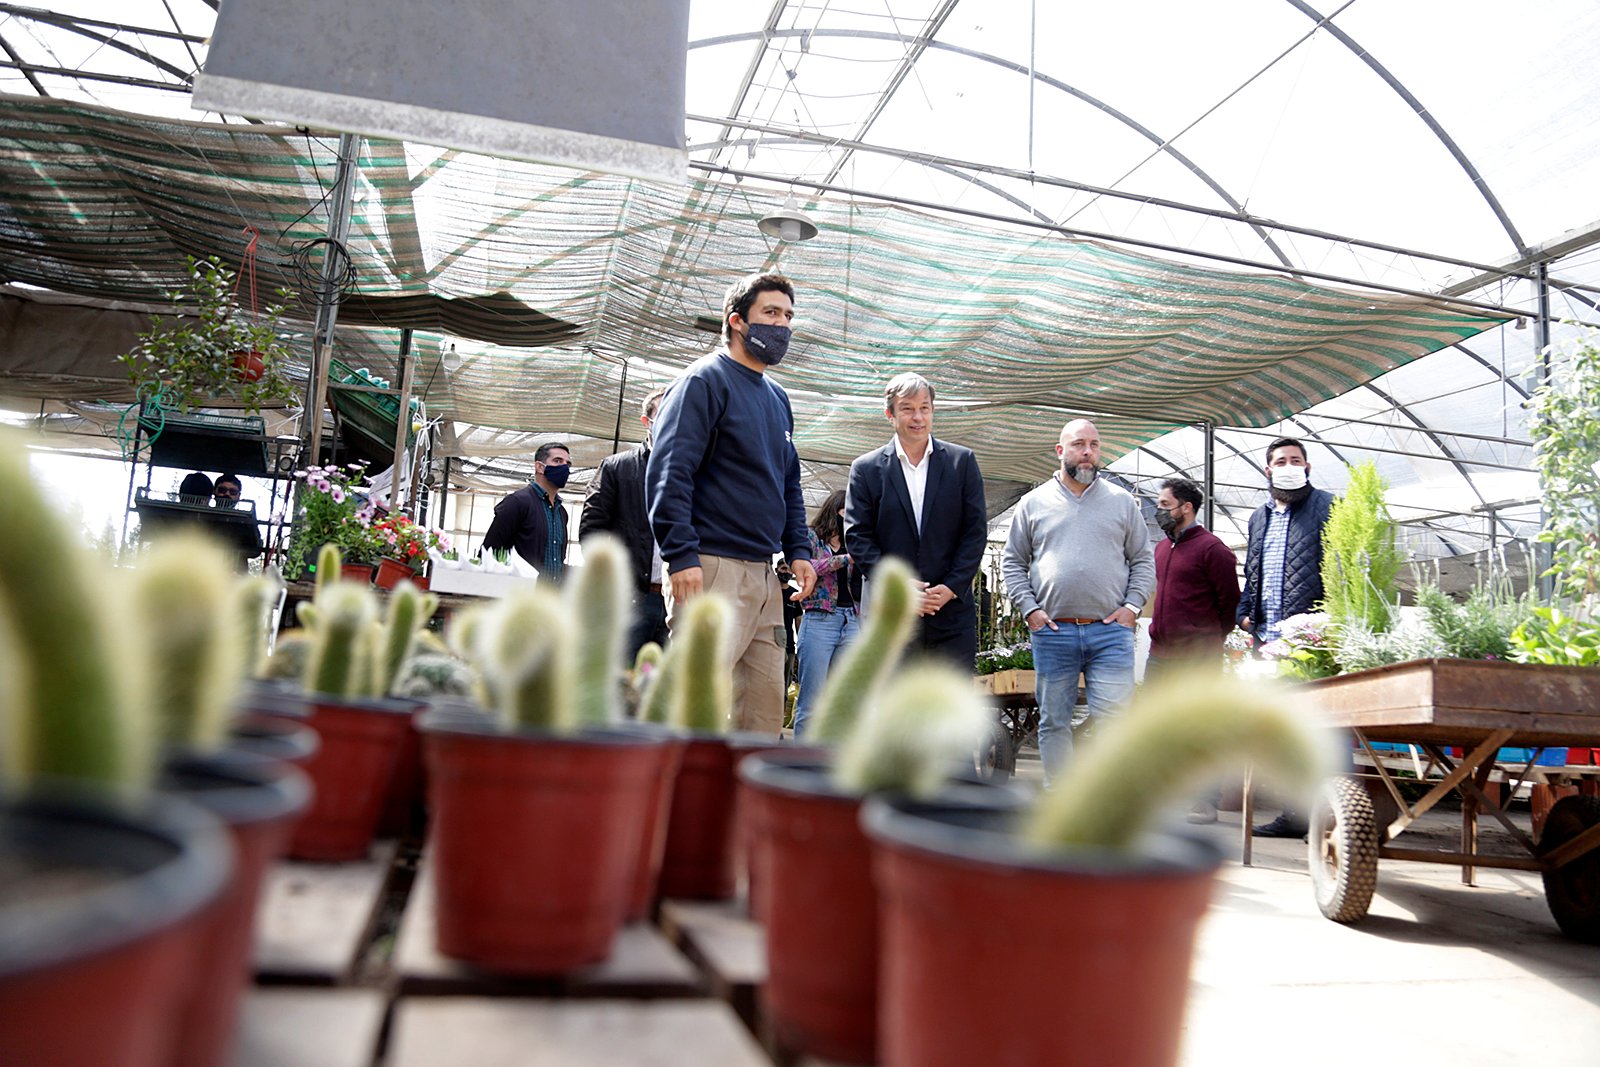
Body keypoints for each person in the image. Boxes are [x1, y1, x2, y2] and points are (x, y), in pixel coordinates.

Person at [645, 272, 816, 734]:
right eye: (771, 314)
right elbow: (669, 471)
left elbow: (788, 483)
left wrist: (799, 550)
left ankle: (740, 805)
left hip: (764, 576)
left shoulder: (778, 399)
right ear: (737, 320)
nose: (782, 326)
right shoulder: (703, 382)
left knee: (761, 713)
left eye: (788, 316)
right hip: (710, 567)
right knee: (696, 709)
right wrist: (681, 554)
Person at [1001, 418, 1155, 785]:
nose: (1088, 453)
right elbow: (1012, 561)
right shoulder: (1034, 503)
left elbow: (1144, 559)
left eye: (1094, 445)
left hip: (1110, 633)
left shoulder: (1121, 502)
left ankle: (1106, 800)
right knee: (1054, 720)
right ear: (1060, 451)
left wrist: (1132, 608)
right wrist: (1031, 610)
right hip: (1054, 632)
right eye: (1078, 444)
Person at [842, 372, 987, 669]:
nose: (918, 417)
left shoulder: (961, 462)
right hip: (892, 614)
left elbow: (974, 532)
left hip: (950, 612)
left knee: (950, 708)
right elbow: (857, 536)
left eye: (925, 408)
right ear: (890, 415)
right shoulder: (866, 469)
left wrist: (951, 587)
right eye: (907, 408)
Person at [1236, 436, 1334, 837]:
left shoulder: (1327, 507)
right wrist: (1245, 612)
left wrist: (1329, 621)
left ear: (1307, 468)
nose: (1289, 465)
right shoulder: (1259, 517)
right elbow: (1253, 570)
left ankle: (1328, 815)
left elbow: (1339, 565)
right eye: (1281, 460)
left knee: (1319, 728)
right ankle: (1294, 815)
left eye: (1296, 460)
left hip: (1308, 639)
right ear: (1268, 470)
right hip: (1266, 638)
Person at [580, 389, 671, 662]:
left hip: (675, 599)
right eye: (663, 414)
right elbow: (591, 531)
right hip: (631, 598)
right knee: (620, 678)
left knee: (664, 691)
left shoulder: (693, 472)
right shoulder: (617, 469)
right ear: (647, 421)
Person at [1148, 476, 1239, 670]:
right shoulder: (1162, 547)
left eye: (1165, 504)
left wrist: (1208, 637)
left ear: (1186, 508)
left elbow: (1230, 601)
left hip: (1198, 658)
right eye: (1159, 504)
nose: (1159, 510)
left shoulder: (1212, 549)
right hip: (1159, 654)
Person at [791, 490, 860, 737]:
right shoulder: (811, 537)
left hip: (851, 619)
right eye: (846, 512)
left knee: (845, 699)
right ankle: (801, 763)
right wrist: (845, 559)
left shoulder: (854, 540)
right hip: (820, 617)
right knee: (811, 700)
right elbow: (810, 567)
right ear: (835, 510)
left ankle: (835, 762)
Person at [482, 441, 572, 582]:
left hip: (551, 597)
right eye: (557, 461)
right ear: (539, 467)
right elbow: (489, 553)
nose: (564, 467)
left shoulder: (561, 512)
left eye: (567, 464)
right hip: (521, 594)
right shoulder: (517, 503)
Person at [212, 472, 263, 564]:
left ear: (239, 496)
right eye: (222, 490)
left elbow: (255, 551)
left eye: (233, 492)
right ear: (214, 491)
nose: (227, 494)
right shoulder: (205, 516)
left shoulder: (244, 521)